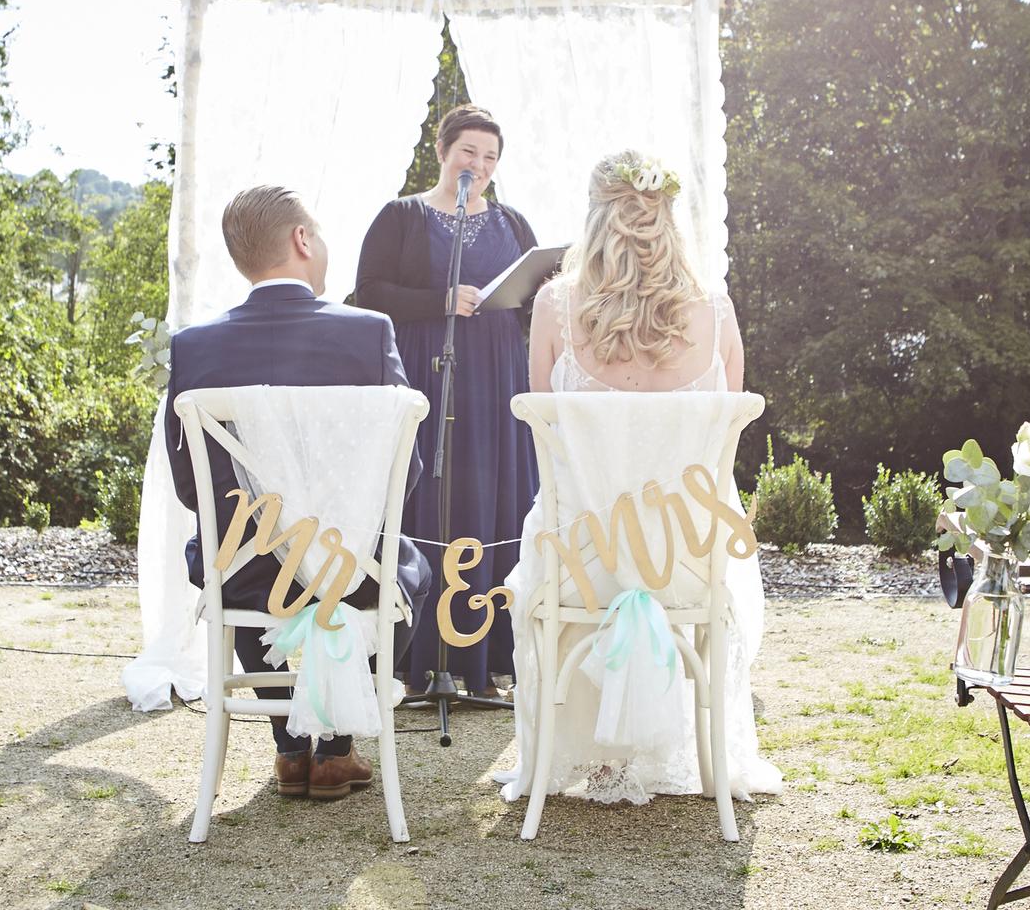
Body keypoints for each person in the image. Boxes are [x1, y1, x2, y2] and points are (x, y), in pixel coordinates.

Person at [494, 151, 779, 805]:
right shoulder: (717, 312)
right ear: (669, 221)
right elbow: (717, 457)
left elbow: (550, 441)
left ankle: (590, 755)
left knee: (568, 530)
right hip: (687, 559)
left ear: (596, 220)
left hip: (581, 560)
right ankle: (665, 748)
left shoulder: (555, 309)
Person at [164, 184, 432, 799]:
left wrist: (271, 535)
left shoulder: (195, 347)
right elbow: (404, 472)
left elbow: (190, 485)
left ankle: (288, 745)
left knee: (227, 557)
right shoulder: (367, 333)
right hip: (350, 565)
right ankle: (335, 748)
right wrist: (333, 533)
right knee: (410, 572)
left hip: (245, 569)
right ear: (301, 239)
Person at [355, 104, 540, 697]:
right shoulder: (400, 216)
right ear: (442, 151)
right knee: (429, 498)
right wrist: (438, 300)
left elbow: (541, 295)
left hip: (498, 380)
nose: (479, 166)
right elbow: (368, 294)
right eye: (469, 153)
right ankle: (419, 661)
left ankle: (488, 664)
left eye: (489, 157)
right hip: (427, 376)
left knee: (493, 500)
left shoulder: (513, 221)